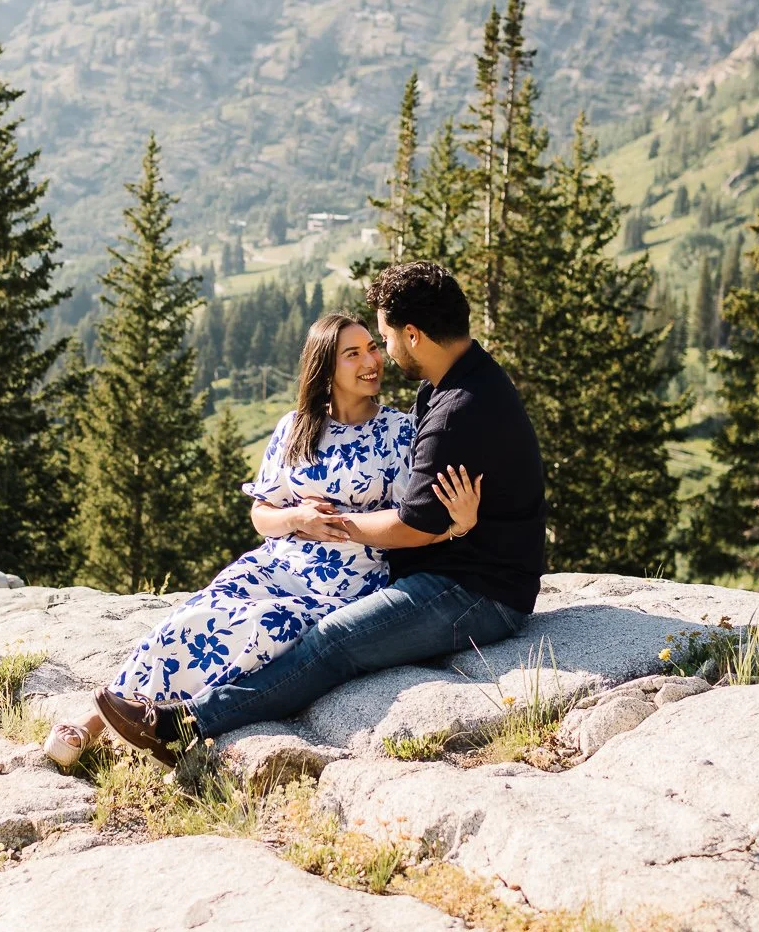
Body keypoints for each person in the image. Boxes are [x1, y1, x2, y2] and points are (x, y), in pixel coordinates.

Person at [97, 260, 546, 763]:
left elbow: (413, 526)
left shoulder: (459, 408)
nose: (383, 353)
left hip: (479, 591)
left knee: (336, 639)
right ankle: (123, 714)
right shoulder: (451, 386)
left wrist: (333, 526)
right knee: (220, 609)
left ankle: (185, 725)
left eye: (383, 338)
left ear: (413, 335)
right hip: (449, 566)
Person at [44, 310, 481, 768]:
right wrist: (298, 517)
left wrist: (460, 526)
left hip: (349, 584)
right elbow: (261, 514)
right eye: (353, 354)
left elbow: (416, 522)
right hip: (276, 564)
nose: (371, 360)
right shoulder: (295, 427)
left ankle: (167, 721)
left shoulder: (399, 432)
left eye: (372, 347)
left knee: (261, 630)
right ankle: (96, 721)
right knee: (193, 616)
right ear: (325, 367)